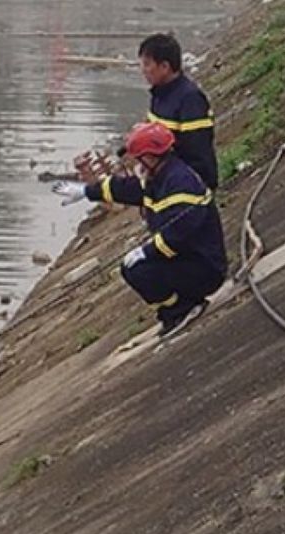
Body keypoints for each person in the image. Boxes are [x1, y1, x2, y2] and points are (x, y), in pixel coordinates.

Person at [52, 122, 226, 337]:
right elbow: (125, 189)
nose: (134, 163)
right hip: (187, 258)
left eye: (137, 158)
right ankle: (179, 306)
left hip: (203, 266)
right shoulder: (159, 177)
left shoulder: (180, 184)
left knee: (139, 270)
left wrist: (146, 251)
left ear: (151, 157)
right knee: (135, 267)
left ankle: (181, 309)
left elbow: (179, 235)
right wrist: (86, 192)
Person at [138, 33, 217, 189]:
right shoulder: (159, 94)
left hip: (187, 186)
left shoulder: (190, 99)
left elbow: (196, 151)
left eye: (147, 64)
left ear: (165, 67)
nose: (143, 70)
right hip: (163, 179)